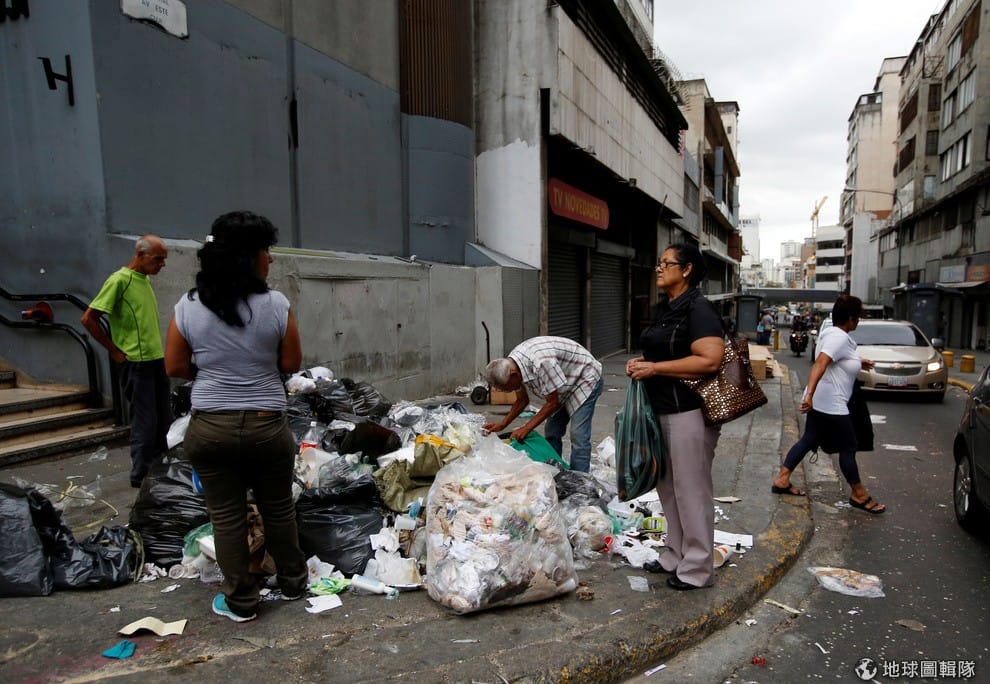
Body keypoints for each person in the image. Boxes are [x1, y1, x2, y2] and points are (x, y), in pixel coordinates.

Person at [164, 211, 308, 622]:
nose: (271, 258)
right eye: (266, 250)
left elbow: (175, 366)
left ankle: (242, 602)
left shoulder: (188, 306)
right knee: (278, 509)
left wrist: (213, 372)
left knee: (226, 518)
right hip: (266, 424)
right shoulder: (276, 305)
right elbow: (291, 362)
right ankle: (293, 583)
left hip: (211, 428)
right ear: (248, 257)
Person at [626, 244, 724, 590]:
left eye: (666, 263)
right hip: (662, 410)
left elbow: (710, 360)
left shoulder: (699, 309)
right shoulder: (667, 307)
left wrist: (655, 368)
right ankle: (675, 554)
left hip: (689, 412)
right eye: (659, 262)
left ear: (686, 269)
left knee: (691, 490)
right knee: (667, 488)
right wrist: (644, 362)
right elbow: (667, 351)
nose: (659, 268)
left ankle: (697, 569)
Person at [771, 294, 885, 514]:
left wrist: (858, 362)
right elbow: (820, 364)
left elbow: (836, 360)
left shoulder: (831, 333)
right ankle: (859, 494)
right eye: (857, 317)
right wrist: (809, 396)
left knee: (809, 439)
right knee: (848, 447)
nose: (858, 321)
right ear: (850, 318)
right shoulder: (838, 338)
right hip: (832, 403)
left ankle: (782, 479)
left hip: (822, 400)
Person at [81, 235, 172, 488]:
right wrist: (115, 351)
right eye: (158, 259)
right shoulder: (119, 280)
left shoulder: (144, 280)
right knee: (145, 421)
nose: (162, 265)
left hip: (156, 360)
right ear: (141, 255)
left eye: (163, 260)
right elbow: (89, 318)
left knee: (164, 419)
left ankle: (160, 470)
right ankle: (141, 475)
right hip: (136, 362)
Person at [483, 337, 603, 473]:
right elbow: (522, 400)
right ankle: (554, 470)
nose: (508, 391)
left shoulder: (542, 363)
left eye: (507, 388)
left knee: (578, 435)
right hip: (562, 384)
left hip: (584, 377)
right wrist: (502, 425)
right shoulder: (513, 364)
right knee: (552, 431)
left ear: (514, 375)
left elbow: (552, 403)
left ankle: (580, 479)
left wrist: (526, 428)